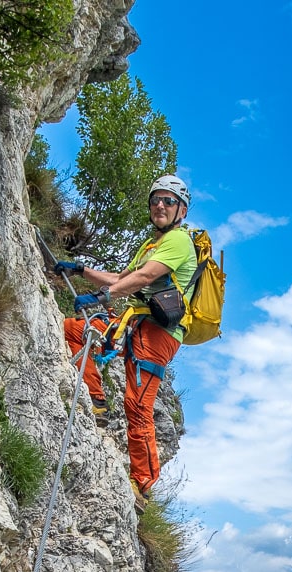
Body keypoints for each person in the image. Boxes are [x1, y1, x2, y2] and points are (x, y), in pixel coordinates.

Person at [57, 175, 197, 512]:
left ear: (181, 209)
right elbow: (124, 279)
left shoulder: (178, 241)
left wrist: (102, 296)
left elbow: (145, 278)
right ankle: (96, 398)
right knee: (74, 330)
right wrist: (81, 270)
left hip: (160, 334)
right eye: (155, 201)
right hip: (138, 322)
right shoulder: (151, 245)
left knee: (138, 404)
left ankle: (143, 482)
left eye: (168, 201)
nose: (160, 206)